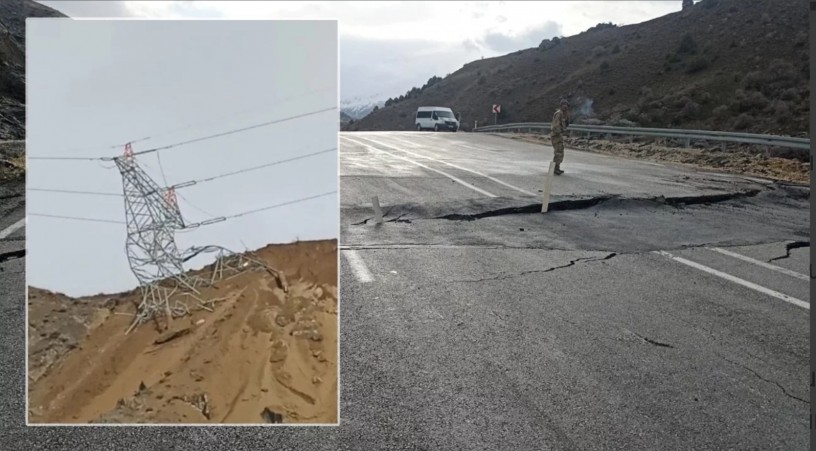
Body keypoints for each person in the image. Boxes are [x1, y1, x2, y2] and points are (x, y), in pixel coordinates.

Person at [550, 99, 570, 175]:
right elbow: (555, 126)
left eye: (566, 105)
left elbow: (566, 124)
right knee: (558, 152)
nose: (565, 107)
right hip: (556, 135)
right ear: (561, 106)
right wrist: (562, 132)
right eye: (564, 105)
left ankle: (557, 167)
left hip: (559, 135)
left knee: (560, 151)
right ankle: (555, 168)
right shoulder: (558, 114)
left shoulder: (564, 114)